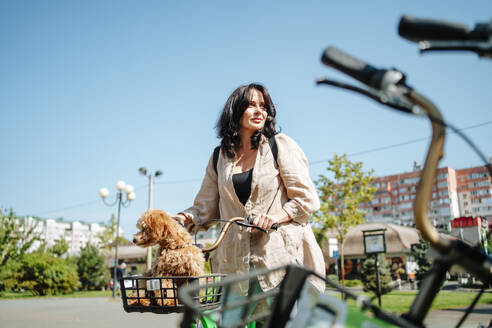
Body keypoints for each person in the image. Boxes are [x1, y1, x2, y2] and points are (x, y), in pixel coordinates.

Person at [175, 83, 325, 294]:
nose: (259, 111)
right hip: (234, 266)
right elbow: (205, 208)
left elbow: (306, 199)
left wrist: (274, 217)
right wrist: (181, 219)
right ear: (236, 111)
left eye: (263, 106)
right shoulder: (220, 157)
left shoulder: (279, 145)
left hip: (278, 262)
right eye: (251, 105)